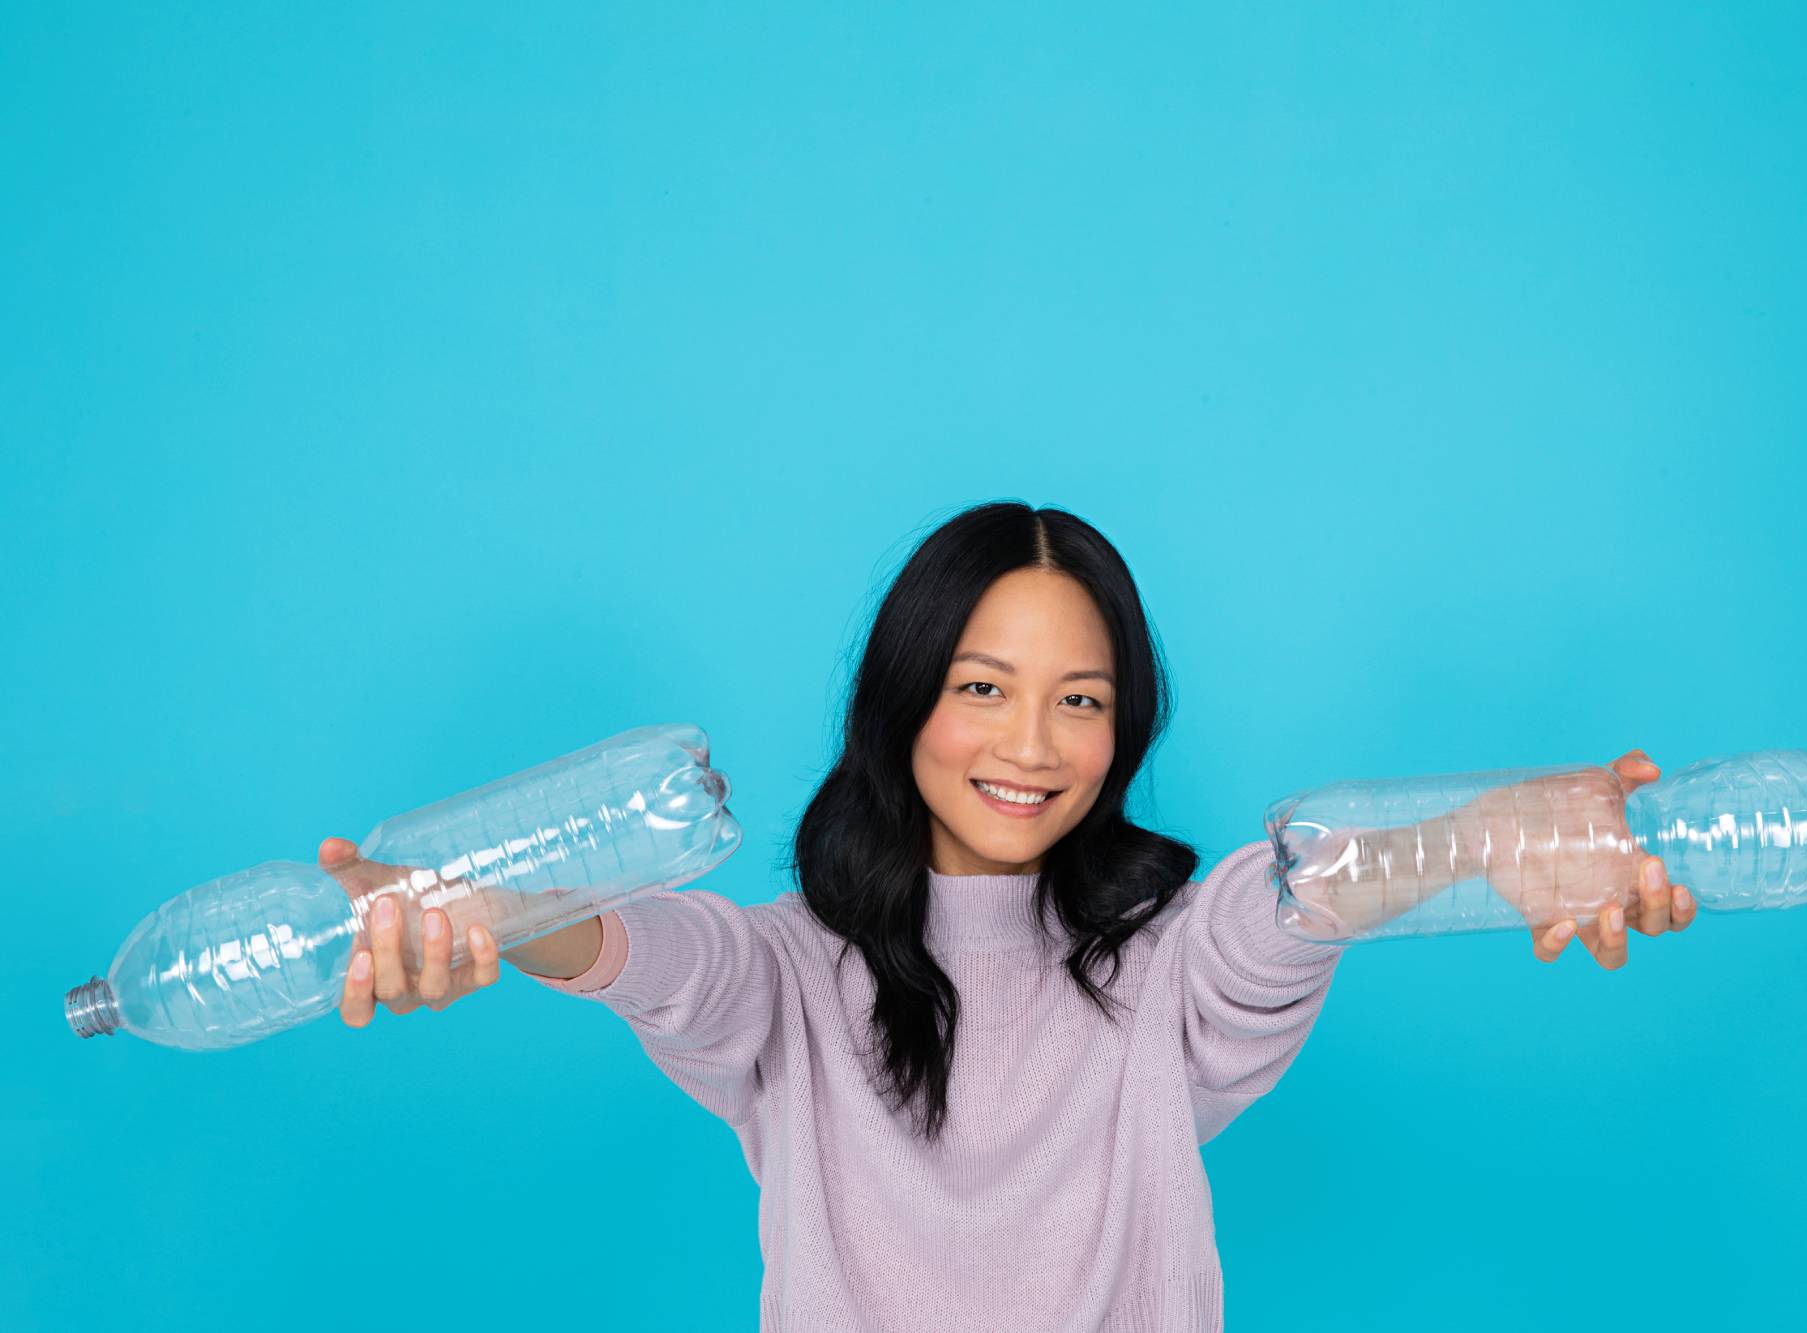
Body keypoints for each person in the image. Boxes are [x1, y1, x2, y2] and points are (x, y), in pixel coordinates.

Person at [321, 500, 1697, 1331]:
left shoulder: (1163, 963)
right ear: (904, 698)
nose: (1031, 741)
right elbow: (653, 955)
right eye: (982, 685)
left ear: (1124, 726)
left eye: (1081, 699)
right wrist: (488, 919)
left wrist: (1487, 840)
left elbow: (1293, 907)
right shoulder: (789, 973)